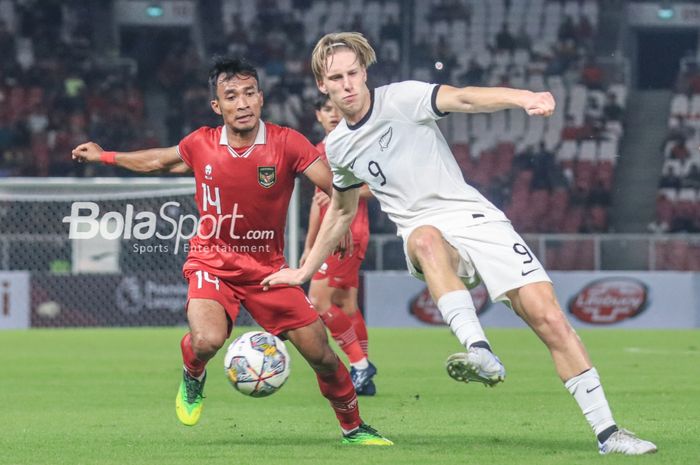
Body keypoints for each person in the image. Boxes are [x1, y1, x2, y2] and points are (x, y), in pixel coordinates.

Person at [261, 32, 657, 456]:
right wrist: (303, 272)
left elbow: (465, 99)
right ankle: (478, 349)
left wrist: (523, 97)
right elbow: (341, 210)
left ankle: (608, 433)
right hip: (420, 231)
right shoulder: (338, 147)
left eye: (353, 73)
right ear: (322, 84)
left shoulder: (403, 99)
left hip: (476, 218)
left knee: (550, 318)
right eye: (336, 77)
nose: (348, 85)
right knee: (427, 239)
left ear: (365, 71)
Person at [71, 56, 392, 446]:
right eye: (231, 96)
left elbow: (333, 184)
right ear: (217, 106)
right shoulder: (201, 143)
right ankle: (193, 374)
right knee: (207, 339)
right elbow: (158, 161)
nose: (242, 103)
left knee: (322, 354)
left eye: (249, 93)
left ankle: (353, 428)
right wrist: (105, 155)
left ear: (261, 98)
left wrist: (338, 221)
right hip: (212, 259)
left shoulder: (287, 142)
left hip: (268, 269)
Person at [304, 94, 377, 395]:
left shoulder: (355, 143)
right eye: (326, 109)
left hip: (347, 232)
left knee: (319, 303)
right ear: (318, 115)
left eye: (337, 108)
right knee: (346, 305)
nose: (333, 114)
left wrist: (346, 194)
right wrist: (309, 245)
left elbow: (376, 186)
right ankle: (365, 376)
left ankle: (359, 366)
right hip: (331, 233)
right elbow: (316, 202)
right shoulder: (319, 150)